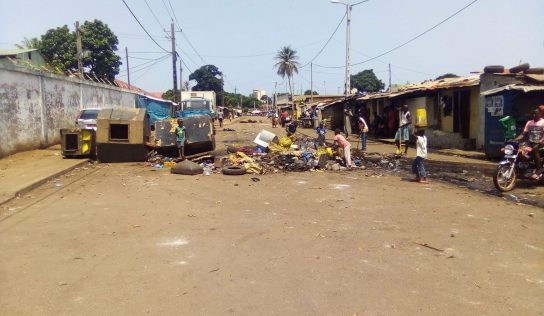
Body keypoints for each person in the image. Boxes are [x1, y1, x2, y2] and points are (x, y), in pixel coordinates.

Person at [515, 109, 544, 179]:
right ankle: (522, 166)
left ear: (540, 114)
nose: (534, 115)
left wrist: (541, 140)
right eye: (533, 114)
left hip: (541, 142)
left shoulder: (543, 122)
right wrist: (515, 139)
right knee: (519, 147)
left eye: (536, 114)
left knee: (534, 149)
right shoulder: (529, 122)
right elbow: (523, 134)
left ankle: (538, 169)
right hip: (530, 142)